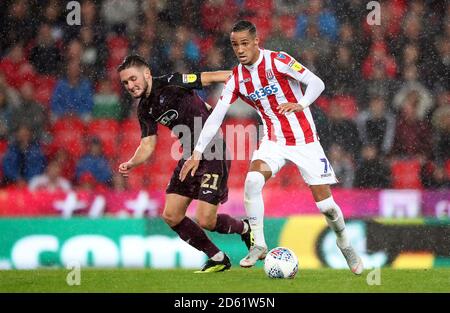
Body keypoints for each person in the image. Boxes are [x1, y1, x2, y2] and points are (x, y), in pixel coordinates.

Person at [180, 20, 363, 274]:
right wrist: (197, 151)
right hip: (273, 140)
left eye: (245, 43)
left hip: (305, 141)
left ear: (256, 42)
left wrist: (302, 103)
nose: (240, 49)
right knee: (253, 181)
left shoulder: (278, 60)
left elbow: (316, 83)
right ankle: (259, 244)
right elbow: (217, 116)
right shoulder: (237, 78)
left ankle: (344, 244)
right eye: (235, 45)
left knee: (327, 208)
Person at [117, 55, 253, 273]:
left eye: (133, 79)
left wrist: (246, 75)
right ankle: (218, 258)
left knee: (205, 220)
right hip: (190, 156)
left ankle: (246, 228)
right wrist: (132, 162)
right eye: (125, 83)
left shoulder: (172, 81)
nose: (130, 86)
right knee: (171, 215)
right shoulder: (144, 108)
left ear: (147, 73)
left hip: (213, 151)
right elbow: (148, 144)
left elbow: (208, 78)